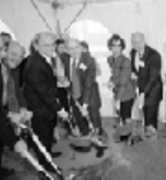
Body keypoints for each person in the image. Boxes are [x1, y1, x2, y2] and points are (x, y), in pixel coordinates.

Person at [23, 32, 69, 166]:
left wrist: (58, 79)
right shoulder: (34, 65)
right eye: (45, 45)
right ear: (36, 46)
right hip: (38, 108)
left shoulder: (46, 57)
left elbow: (47, 80)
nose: (51, 48)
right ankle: (45, 166)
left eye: (52, 44)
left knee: (47, 135)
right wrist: (60, 110)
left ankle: (47, 154)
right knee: (42, 137)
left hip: (46, 106)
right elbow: (44, 93)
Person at [65, 38, 105, 146]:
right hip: (75, 93)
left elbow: (88, 83)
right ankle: (86, 134)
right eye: (71, 49)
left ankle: (98, 136)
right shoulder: (66, 60)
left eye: (77, 47)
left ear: (81, 47)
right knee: (78, 115)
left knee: (93, 114)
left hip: (90, 92)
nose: (75, 51)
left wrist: (85, 104)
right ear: (67, 50)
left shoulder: (89, 60)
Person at [0, 40, 30, 178]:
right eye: (13, 54)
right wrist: (10, 114)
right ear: (4, 52)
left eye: (20, 56)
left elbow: (17, 91)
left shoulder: (13, 71)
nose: (17, 59)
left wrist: (22, 108)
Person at [130, 32, 163, 136]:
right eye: (134, 43)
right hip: (141, 89)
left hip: (152, 91)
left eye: (139, 42)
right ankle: (146, 139)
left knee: (150, 118)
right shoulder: (133, 52)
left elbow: (152, 78)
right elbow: (134, 67)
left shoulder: (154, 55)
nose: (137, 45)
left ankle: (152, 142)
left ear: (144, 41)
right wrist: (133, 74)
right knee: (144, 115)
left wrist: (143, 93)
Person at [107, 34, 136, 126]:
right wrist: (111, 81)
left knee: (126, 117)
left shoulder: (125, 61)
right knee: (120, 115)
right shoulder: (111, 59)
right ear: (110, 47)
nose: (116, 48)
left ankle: (128, 137)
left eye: (118, 46)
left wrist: (118, 99)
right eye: (113, 45)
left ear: (122, 47)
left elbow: (124, 81)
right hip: (118, 91)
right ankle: (124, 134)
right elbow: (115, 74)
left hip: (127, 93)